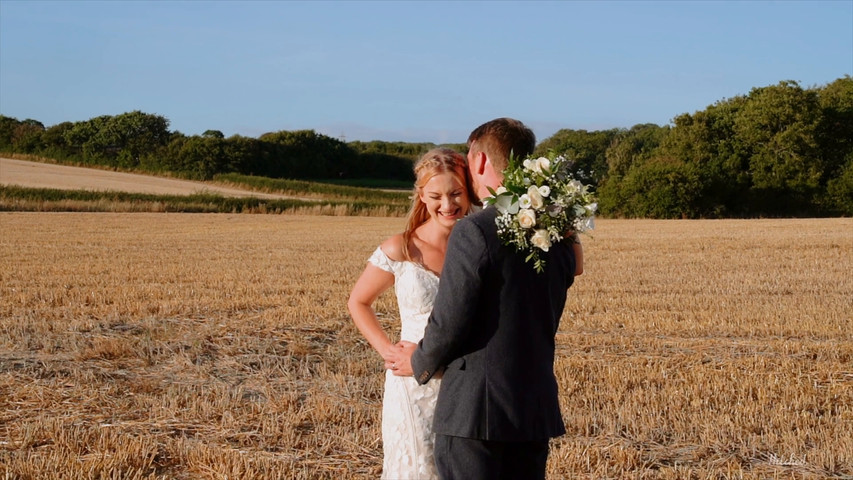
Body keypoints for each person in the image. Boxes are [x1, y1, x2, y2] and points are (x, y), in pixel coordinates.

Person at [389, 118, 580, 479]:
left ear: (479, 161)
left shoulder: (474, 230)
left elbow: (450, 320)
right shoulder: (558, 231)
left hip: (475, 413)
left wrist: (420, 360)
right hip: (533, 409)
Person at [347, 147, 478, 479]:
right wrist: (388, 352)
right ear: (421, 195)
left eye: (456, 193)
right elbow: (358, 302)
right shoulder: (401, 248)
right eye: (436, 195)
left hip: (462, 380)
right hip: (411, 383)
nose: (447, 205)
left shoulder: (481, 246)